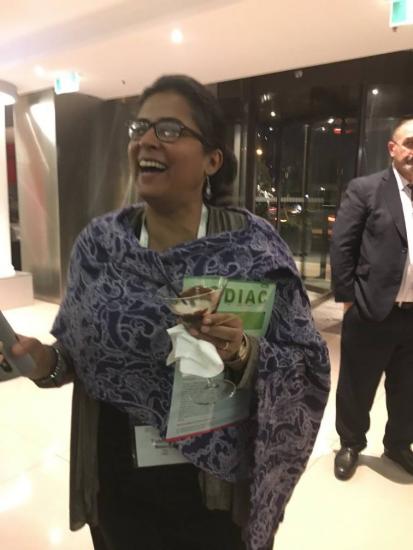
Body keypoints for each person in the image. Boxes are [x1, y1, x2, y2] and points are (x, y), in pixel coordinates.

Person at [0, 75, 330, 550]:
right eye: (140, 128)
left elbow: (307, 365)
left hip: (212, 485)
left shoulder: (252, 248)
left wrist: (239, 350)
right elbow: (76, 357)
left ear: (212, 159)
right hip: (116, 476)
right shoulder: (100, 245)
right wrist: (43, 363)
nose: (147, 140)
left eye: (171, 130)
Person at [331, 118, 413, 481]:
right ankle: (350, 443)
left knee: (408, 387)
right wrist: (349, 301)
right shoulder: (366, 189)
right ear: (393, 148)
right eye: (409, 143)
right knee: (356, 383)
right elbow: (343, 247)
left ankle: (397, 444)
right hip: (371, 309)